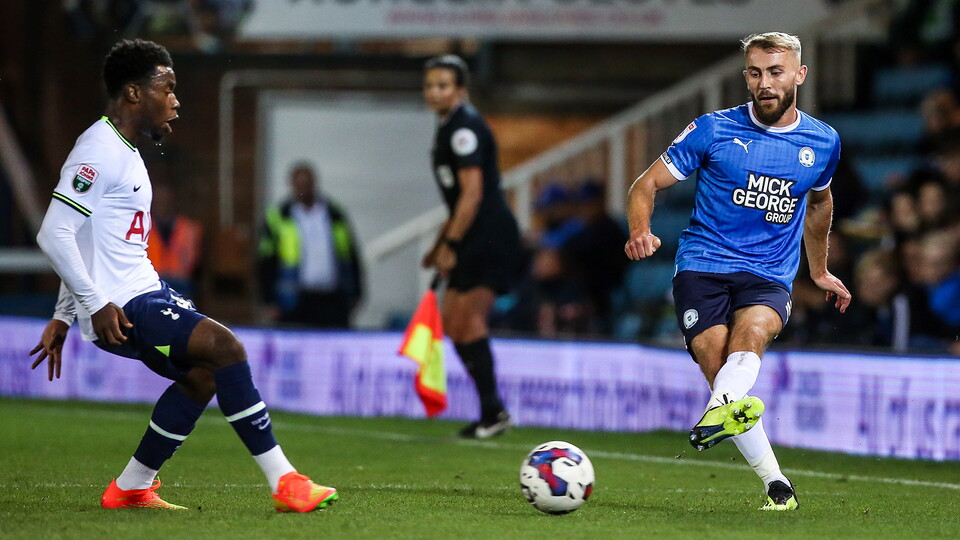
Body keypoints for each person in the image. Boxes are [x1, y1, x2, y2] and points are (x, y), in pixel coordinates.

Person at [29, 39, 337, 512]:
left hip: (139, 293)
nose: (176, 100)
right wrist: (91, 305)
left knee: (203, 377)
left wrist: (64, 315)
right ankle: (286, 482)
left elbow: (90, 239)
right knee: (225, 347)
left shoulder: (127, 151)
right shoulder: (98, 149)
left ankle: (132, 486)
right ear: (134, 93)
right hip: (124, 305)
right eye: (167, 87)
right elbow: (54, 233)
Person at [624, 32, 852, 511]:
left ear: (799, 75)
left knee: (749, 339)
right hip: (703, 265)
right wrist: (640, 230)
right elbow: (645, 185)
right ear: (745, 76)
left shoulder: (822, 141)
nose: (765, 83)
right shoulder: (712, 129)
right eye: (755, 72)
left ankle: (754, 461)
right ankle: (774, 479)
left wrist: (820, 270)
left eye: (775, 72)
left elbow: (820, 204)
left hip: (769, 272)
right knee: (719, 368)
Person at [421, 54, 520, 438]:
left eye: (443, 85)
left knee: (469, 319)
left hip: (488, 234)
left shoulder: (465, 129)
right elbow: (457, 200)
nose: (435, 92)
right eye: (430, 85)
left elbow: (473, 193)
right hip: (473, 232)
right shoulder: (448, 127)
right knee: (453, 321)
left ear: (460, 90)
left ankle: (493, 413)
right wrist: (438, 244)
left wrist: (452, 244)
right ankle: (492, 411)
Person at [258, 162, 364, 329]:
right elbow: (266, 260)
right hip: (294, 298)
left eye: (307, 184)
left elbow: (350, 254)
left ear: (315, 183)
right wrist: (268, 299)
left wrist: (356, 292)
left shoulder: (334, 214)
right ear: (291, 185)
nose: (303, 189)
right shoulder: (279, 216)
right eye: (299, 184)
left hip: (332, 298)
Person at [146, 183, 202, 297]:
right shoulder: (143, 227)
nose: (162, 204)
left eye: (165, 200)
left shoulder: (188, 228)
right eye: (158, 200)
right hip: (150, 283)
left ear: (173, 202)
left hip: (180, 284)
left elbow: (192, 260)